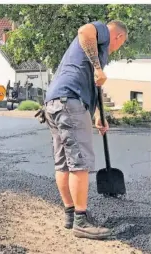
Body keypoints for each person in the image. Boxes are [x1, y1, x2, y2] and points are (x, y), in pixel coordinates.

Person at [42, 20, 128, 240]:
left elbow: (92, 83)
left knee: (63, 163)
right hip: (71, 101)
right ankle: (81, 221)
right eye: (121, 44)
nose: (117, 48)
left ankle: (71, 215)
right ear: (118, 37)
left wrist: (98, 114)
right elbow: (84, 30)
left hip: (54, 102)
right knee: (79, 163)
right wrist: (98, 68)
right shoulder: (102, 32)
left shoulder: (90, 53)